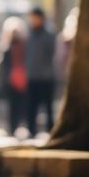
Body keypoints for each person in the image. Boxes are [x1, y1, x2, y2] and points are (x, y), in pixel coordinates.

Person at [26, 7, 56, 137]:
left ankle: (50, 130)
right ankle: (31, 130)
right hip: (32, 76)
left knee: (48, 106)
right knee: (31, 105)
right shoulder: (29, 35)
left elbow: (52, 54)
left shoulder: (49, 36)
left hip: (46, 77)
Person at [0, 17, 28, 136]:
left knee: (22, 104)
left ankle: (22, 126)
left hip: (23, 78)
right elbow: (2, 64)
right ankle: (12, 127)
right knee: (12, 105)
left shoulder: (25, 45)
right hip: (10, 79)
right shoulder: (6, 46)